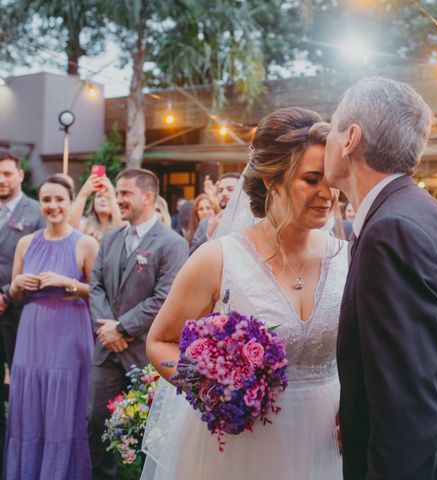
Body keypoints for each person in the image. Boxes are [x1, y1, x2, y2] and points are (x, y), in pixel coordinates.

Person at [142, 108, 347, 479]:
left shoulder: (346, 258)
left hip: (325, 441)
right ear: (273, 181)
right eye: (312, 180)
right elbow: (161, 341)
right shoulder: (217, 258)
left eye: (331, 179)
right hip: (243, 446)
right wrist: (211, 385)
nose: (327, 193)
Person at [324, 77, 437, 479]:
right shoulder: (427, 213)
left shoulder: (392, 230)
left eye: (333, 126)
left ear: (351, 138)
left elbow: (407, 408)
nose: (327, 139)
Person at [88, 168, 188, 479]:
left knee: (148, 431)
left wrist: (120, 328)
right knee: (96, 424)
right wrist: (106, 329)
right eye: (117, 194)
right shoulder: (111, 237)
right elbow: (96, 286)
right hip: (107, 352)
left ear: (147, 197)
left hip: (146, 354)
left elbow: (165, 298)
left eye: (125, 194)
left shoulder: (171, 243)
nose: (118, 200)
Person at [5, 176, 98, 479]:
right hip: (31, 336)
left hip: (69, 335)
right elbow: (16, 295)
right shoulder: (25, 242)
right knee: (28, 409)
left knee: (63, 410)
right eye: (46, 200)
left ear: (71, 202)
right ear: (40, 204)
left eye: (59, 199)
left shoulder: (85, 243)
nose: (53, 206)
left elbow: (98, 293)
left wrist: (68, 283)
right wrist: (16, 285)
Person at [0, 149, 45, 472]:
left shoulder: (36, 211)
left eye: (6, 174)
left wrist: (5, 292)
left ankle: (20, 456)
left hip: (20, 312)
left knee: (21, 386)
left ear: (20, 175)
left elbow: (45, 253)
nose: (1, 181)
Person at [189, 172, 241, 254]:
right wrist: (208, 233)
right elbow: (191, 254)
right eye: (220, 190)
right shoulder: (206, 223)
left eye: (230, 189)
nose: (224, 193)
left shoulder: (255, 221)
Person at [70, 174, 123, 244]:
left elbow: (122, 231)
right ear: (93, 203)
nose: (103, 199)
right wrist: (83, 194)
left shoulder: (120, 223)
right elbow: (70, 229)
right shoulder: (85, 224)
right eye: (99, 196)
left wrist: (111, 196)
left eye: (107, 197)